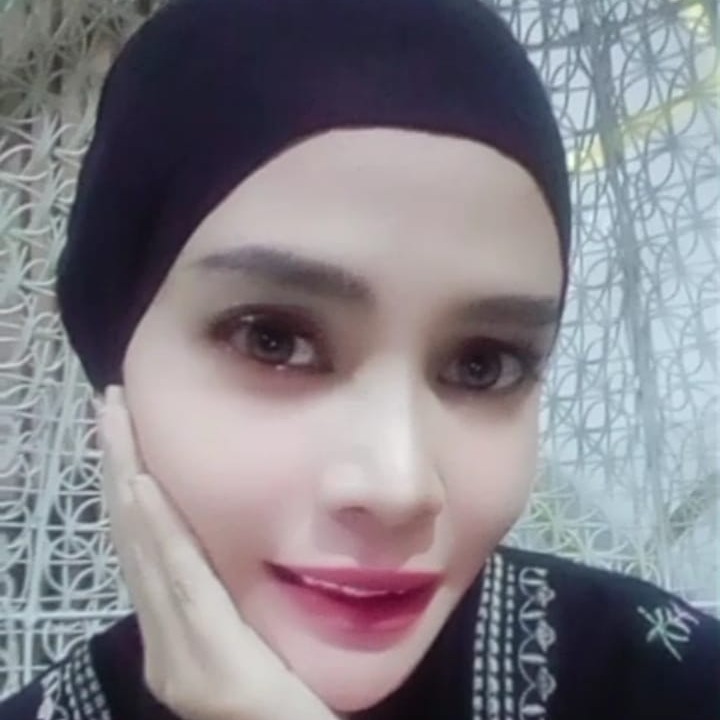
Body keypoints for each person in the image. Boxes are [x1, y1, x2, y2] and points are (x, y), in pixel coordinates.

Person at [1, 0, 718, 718]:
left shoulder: (665, 681)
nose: (398, 486)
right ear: (113, 353)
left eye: (485, 365)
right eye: (273, 340)